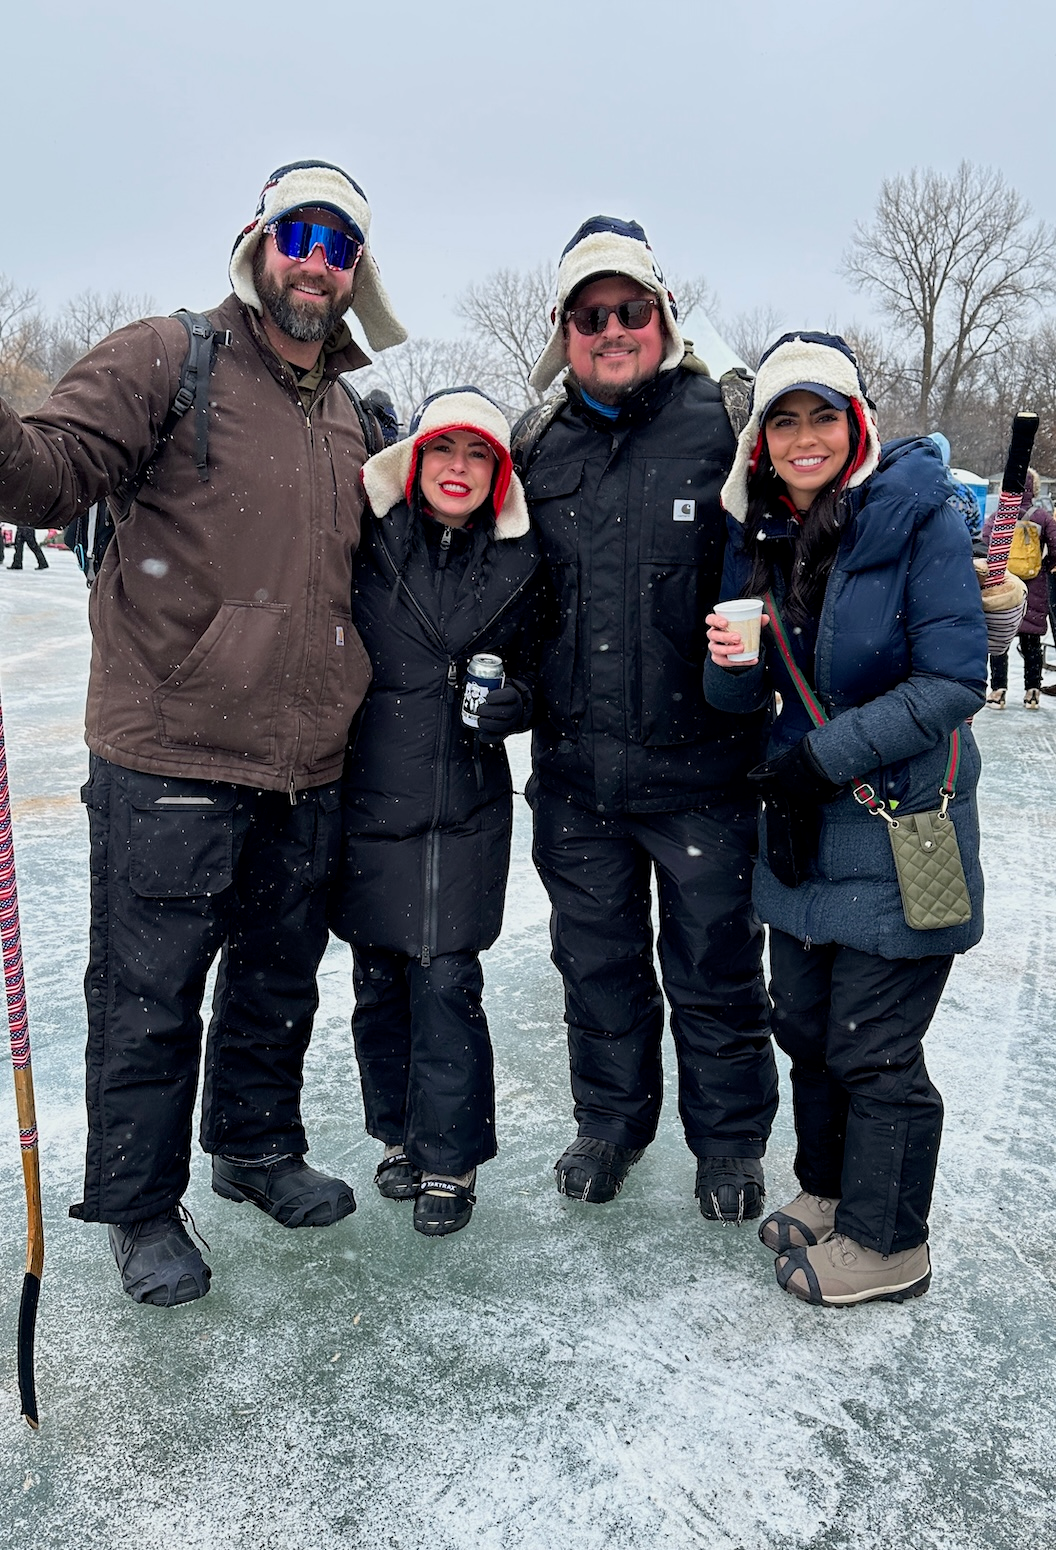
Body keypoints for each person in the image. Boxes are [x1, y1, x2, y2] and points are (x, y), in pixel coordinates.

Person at [0, 159, 407, 1305]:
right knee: (148, 989)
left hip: (305, 758)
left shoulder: (351, 410)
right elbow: (48, 473)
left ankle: (254, 1144)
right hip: (169, 749)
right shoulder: (165, 357)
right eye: (298, 234)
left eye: (339, 244)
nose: (315, 260)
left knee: (279, 977)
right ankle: (137, 1202)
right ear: (258, 243)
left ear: (356, 270)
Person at [705, 331, 987, 1306]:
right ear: (762, 441)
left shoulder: (917, 519)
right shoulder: (766, 538)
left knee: (874, 1042)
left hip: (907, 824)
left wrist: (819, 758)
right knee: (810, 1026)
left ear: (857, 422)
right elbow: (743, 703)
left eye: (823, 413)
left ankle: (889, 1238)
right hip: (806, 836)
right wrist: (727, 660)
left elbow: (954, 680)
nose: (804, 435)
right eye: (784, 419)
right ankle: (829, 1191)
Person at [514, 217, 777, 1218]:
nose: (612, 328)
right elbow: (507, 595)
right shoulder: (537, 445)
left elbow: (803, 549)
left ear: (663, 316)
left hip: (705, 775)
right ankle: (612, 1122)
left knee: (715, 968)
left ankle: (730, 1141)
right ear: (565, 327)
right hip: (578, 778)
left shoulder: (727, 424)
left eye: (631, 309)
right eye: (591, 314)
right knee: (597, 967)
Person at [330, 388, 541, 1237]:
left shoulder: (522, 560)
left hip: (465, 806)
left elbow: (541, 670)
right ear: (416, 460)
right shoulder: (367, 543)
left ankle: (450, 1158)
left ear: (498, 474)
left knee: (448, 982)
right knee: (380, 981)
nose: (460, 469)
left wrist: (511, 703)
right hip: (372, 793)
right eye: (445, 451)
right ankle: (400, 1137)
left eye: (478, 455)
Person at [981, 469, 1056, 710]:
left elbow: (984, 540)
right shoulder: (1042, 517)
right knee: (1032, 640)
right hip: (1034, 585)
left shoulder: (1000, 516)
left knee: (1000, 640)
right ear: (1034, 489)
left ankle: (998, 690)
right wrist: (1045, 565)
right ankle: (1032, 691)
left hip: (1006, 583)